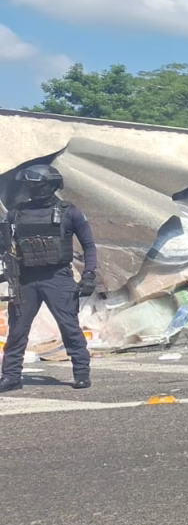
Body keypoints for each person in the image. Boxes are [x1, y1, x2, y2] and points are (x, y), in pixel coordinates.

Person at [0, 164, 97, 392]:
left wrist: (89, 275)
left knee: (69, 327)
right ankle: (11, 376)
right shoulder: (16, 213)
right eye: (31, 186)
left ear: (51, 186)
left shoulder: (69, 212)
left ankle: (81, 373)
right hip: (25, 279)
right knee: (17, 331)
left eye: (38, 186)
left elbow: (89, 245)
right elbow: (4, 246)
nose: (34, 190)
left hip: (58, 277)